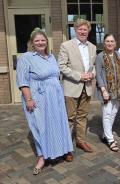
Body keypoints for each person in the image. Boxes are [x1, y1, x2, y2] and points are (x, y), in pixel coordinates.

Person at [16, 28, 73, 175]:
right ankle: (42, 157)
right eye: (37, 40)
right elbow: (22, 82)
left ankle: (57, 151)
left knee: (56, 124)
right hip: (38, 97)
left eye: (43, 40)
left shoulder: (51, 57)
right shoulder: (26, 58)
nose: (40, 43)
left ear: (46, 42)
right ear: (32, 43)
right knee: (40, 126)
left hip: (55, 97)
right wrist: (28, 99)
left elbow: (56, 76)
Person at [58, 19, 96, 153]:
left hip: (87, 87)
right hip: (72, 87)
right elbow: (61, 66)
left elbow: (93, 66)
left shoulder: (92, 47)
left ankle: (81, 141)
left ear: (88, 31)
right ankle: (66, 147)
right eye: (80, 29)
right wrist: (80, 76)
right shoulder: (66, 45)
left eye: (85, 29)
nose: (82, 31)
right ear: (75, 30)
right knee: (69, 118)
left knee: (82, 116)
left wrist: (92, 74)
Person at [95, 34, 120, 152]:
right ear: (104, 43)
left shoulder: (117, 54)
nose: (110, 43)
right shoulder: (100, 56)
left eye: (112, 41)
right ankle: (110, 139)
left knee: (113, 113)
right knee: (107, 114)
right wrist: (103, 90)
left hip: (118, 90)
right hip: (106, 90)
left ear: (115, 43)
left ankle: (105, 134)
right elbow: (98, 75)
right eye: (107, 41)